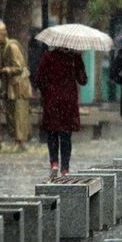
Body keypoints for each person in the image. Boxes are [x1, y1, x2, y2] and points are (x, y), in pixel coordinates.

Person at [36, 47, 87, 177]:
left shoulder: (47, 56)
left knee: (52, 132)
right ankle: (65, 169)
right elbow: (83, 80)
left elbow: (39, 79)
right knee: (66, 136)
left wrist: (47, 91)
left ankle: (54, 163)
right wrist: (79, 65)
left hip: (52, 100)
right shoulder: (74, 57)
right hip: (68, 102)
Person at [0, 20, 32, 151]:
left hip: (20, 84)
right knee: (12, 113)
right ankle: (17, 140)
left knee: (19, 113)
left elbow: (19, 67)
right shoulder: (3, 47)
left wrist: (5, 70)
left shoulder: (12, 46)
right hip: (13, 84)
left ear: (3, 34)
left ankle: (20, 142)